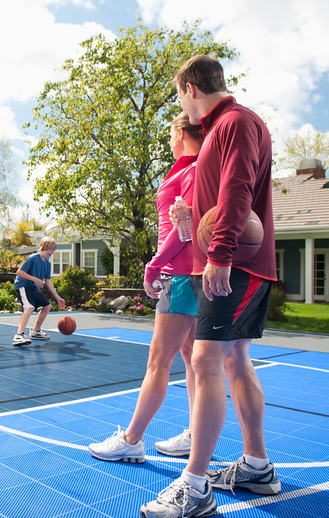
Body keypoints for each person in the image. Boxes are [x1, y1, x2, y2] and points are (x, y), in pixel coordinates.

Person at [140, 55, 280, 518]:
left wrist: (218, 255)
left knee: (203, 361)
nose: (184, 107)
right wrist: (190, 224)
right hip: (236, 262)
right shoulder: (231, 126)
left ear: (191, 89)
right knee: (235, 361)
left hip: (234, 264)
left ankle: (195, 487)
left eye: (181, 96)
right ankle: (257, 466)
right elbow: (220, 199)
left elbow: (237, 191)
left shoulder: (234, 123)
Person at [88, 111, 201, 464]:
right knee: (191, 358)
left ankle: (131, 439)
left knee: (158, 361)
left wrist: (154, 264)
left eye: (171, 134)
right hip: (189, 274)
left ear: (182, 132)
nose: (169, 141)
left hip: (181, 275)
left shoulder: (191, 171)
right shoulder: (192, 169)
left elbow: (184, 231)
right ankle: (198, 433)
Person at [13, 236, 66, 346]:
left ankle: (35, 331)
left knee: (47, 306)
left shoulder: (47, 263)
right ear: (43, 248)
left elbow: (48, 282)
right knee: (29, 307)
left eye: (53, 250)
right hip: (23, 285)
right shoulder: (33, 258)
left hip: (32, 286)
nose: (51, 252)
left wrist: (58, 298)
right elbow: (19, 272)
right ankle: (19, 335)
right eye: (49, 249)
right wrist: (34, 278)